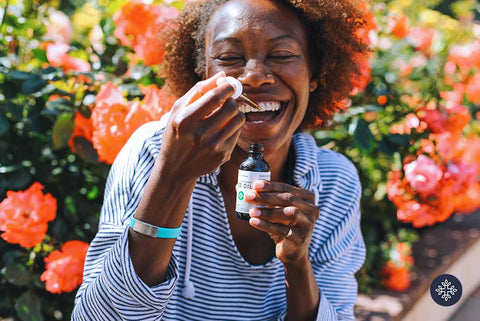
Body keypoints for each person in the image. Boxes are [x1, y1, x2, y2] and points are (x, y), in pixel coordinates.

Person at [72, 0, 369, 320]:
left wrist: (297, 264)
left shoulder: (334, 181)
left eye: (282, 55)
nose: (254, 77)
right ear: (203, 75)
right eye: (229, 58)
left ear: (314, 73)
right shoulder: (152, 152)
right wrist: (173, 175)